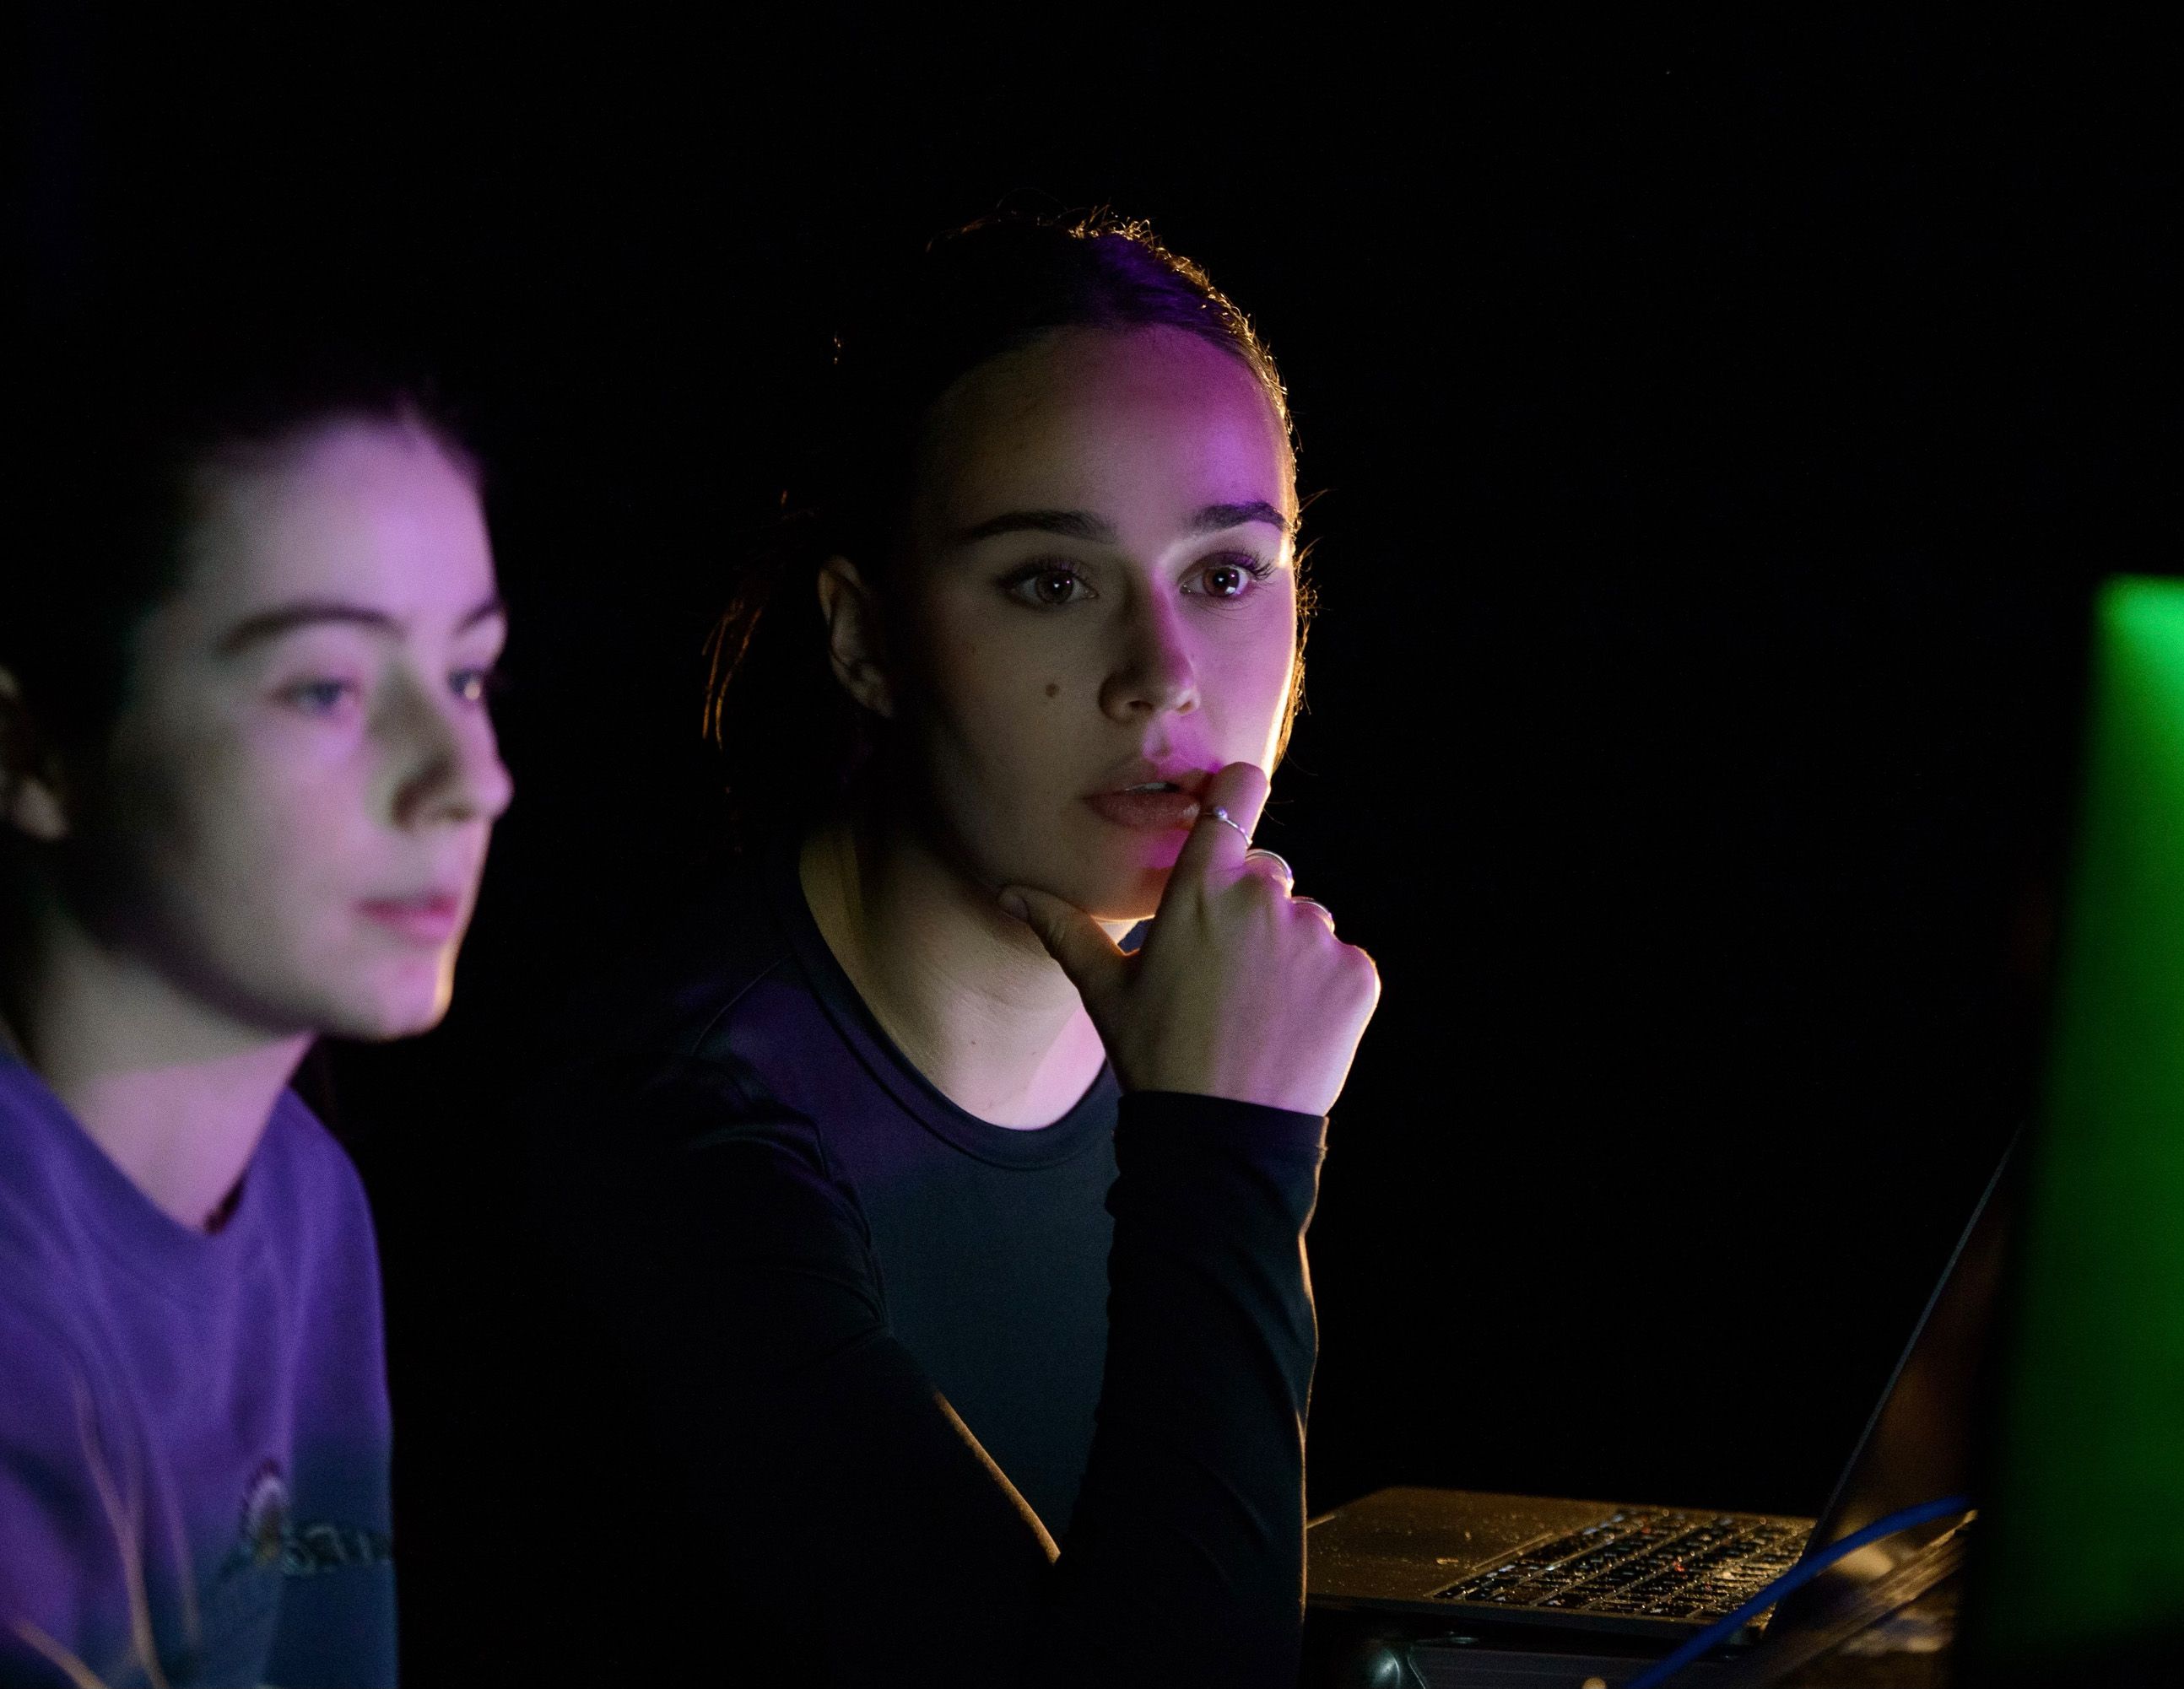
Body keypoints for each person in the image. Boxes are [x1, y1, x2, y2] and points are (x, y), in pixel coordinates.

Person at [515, 212, 1380, 1685]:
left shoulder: (1195, 1030)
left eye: (1228, 574)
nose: (1162, 675)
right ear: (862, 640)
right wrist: (1230, 1149)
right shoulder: (683, 1121)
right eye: (1051, 578)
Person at [0, 339, 512, 1686]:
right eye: (326, 689)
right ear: (33, 753)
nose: (471, 779)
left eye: (467, 677)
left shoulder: (306, 1198)